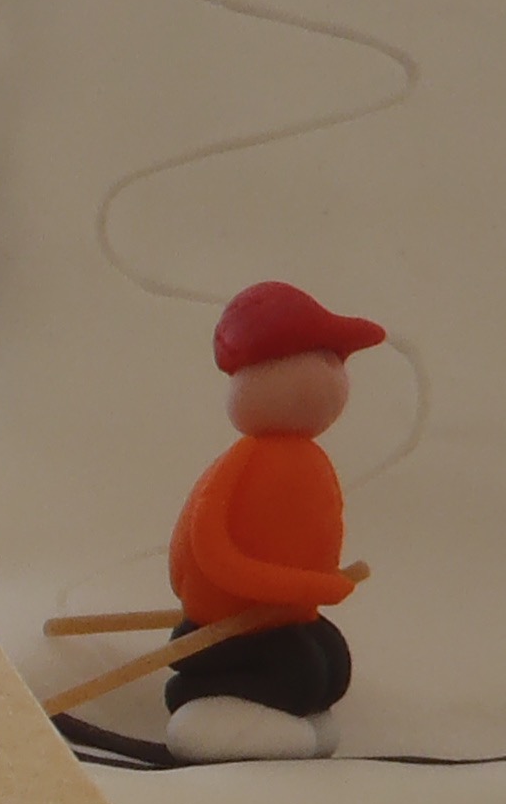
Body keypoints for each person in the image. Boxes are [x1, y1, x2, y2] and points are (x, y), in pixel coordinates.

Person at [162, 282, 381, 761]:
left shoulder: (312, 461)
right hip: (229, 624)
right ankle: (211, 717)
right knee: (297, 665)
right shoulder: (242, 463)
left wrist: (307, 590)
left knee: (328, 658)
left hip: (281, 617)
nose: (333, 375)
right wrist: (305, 586)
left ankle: (275, 716)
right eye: (317, 358)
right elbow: (211, 555)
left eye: (334, 361)